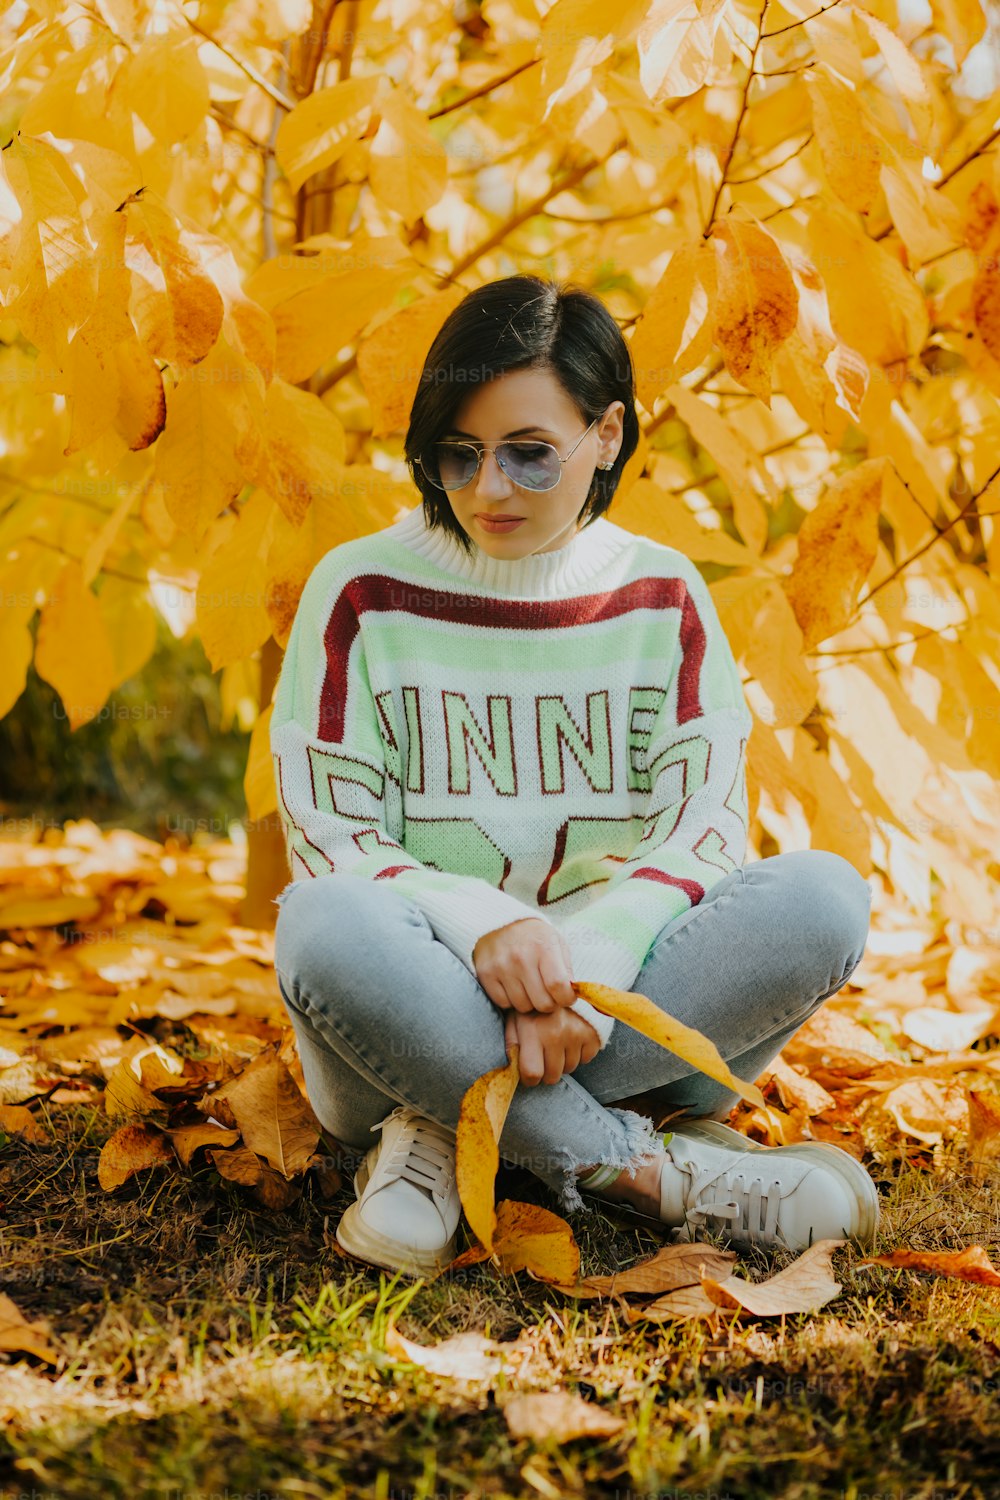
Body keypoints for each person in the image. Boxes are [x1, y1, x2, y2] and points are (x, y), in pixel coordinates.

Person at [270, 273, 878, 1279]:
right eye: (455, 456)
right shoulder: (360, 592)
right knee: (325, 922)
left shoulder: (662, 597)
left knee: (824, 897)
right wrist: (485, 933)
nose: (486, 490)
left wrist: (581, 983)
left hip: (607, 1014)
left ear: (605, 433)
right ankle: (639, 1168)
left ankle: (445, 1112)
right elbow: (337, 840)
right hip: (402, 985)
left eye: (528, 454)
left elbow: (703, 833)